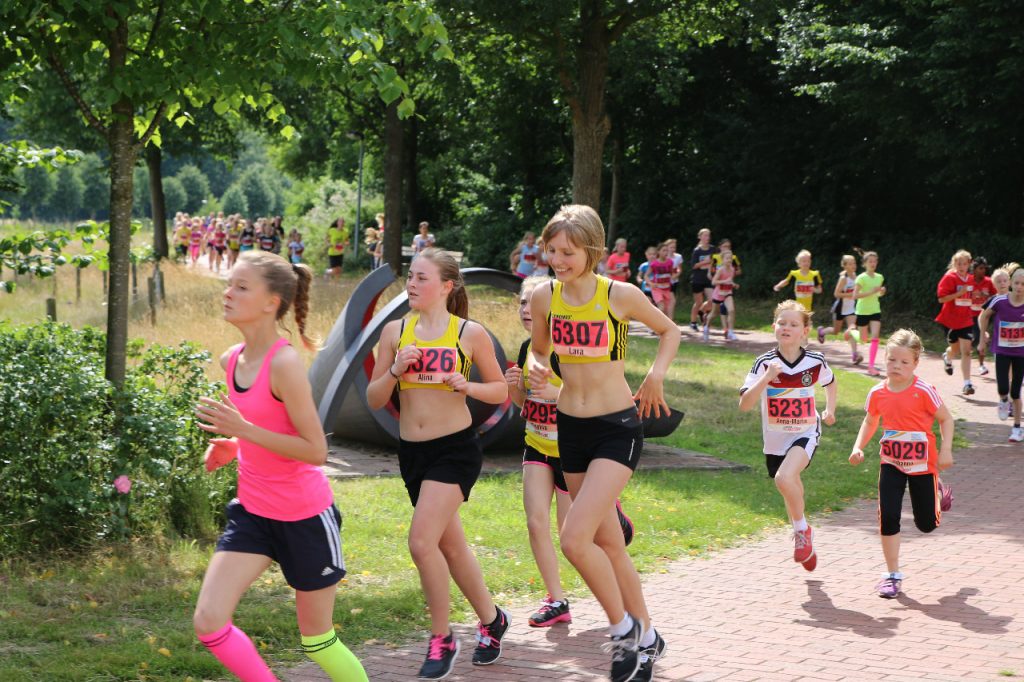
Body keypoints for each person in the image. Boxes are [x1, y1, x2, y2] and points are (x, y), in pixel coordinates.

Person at [192, 251, 367, 682]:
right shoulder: (231, 360)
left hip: (304, 517)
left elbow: (314, 450)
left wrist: (243, 430)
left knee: (317, 640)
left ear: (272, 301)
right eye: (229, 284)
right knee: (209, 621)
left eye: (241, 286)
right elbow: (266, 427)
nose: (228, 293)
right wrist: (234, 443)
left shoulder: (285, 363)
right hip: (253, 512)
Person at [529, 205, 677, 682]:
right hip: (568, 428)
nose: (557, 259)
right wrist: (536, 367)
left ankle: (622, 632)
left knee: (574, 538)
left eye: (567, 252)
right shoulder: (543, 297)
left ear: (592, 250)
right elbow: (539, 350)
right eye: (551, 250)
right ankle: (648, 637)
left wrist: (655, 376)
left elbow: (669, 330)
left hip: (617, 427)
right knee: (610, 543)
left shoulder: (620, 295)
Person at [366, 248, 510, 680]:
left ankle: (442, 637)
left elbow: (501, 390)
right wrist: (393, 368)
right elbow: (374, 397)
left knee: (421, 543)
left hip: (455, 450)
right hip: (413, 454)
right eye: (410, 276)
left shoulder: (470, 334)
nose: (411, 284)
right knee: (450, 546)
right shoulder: (396, 331)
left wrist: (468, 385)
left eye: (422, 278)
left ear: (447, 286)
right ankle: (492, 620)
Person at [506, 276, 636, 631]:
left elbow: (580, 393)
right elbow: (525, 404)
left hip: (571, 448)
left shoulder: (567, 348)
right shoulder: (527, 350)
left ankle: (611, 516)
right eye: (522, 303)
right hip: (537, 443)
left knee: (573, 534)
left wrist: (551, 388)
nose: (527, 310)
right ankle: (556, 599)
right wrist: (516, 388)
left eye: (533, 303)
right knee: (535, 522)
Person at [848, 329, 954, 598]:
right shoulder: (877, 392)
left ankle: (938, 490)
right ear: (885, 358)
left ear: (916, 363)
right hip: (891, 463)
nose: (897, 366)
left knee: (926, 524)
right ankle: (892, 575)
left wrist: (946, 450)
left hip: (923, 466)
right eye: (892, 360)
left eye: (904, 362)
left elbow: (946, 419)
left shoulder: (923, 391)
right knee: (889, 516)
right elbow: (871, 420)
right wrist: (858, 447)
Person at [739, 300, 837, 572]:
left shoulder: (815, 361)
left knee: (785, 477)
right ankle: (804, 532)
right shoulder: (764, 363)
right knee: (786, 483)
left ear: (805, 331)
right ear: (773, 328)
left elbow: (830, 382)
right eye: (782, 323)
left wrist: (829, 409)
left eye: (793, 324)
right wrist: (766, 378)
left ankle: (801, 532)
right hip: (775, 438)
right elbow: (744, 404)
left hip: (805, 431)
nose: (786, 327)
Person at [978, 268, 1024, 441]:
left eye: (1023, 285)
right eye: (1017, 283)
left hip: (1021, 353)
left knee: (1016, 391)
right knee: (1003, 387)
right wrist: (982, 339)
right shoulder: (999, 301)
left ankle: (1017, 428)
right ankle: (1003, 400)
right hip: (1002, 350)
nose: (1020, 287)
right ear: (1011, 283)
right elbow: (984, 317)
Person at [936, 250, 977, 395]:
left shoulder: (972, 279)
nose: (961, 266)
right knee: (955, 350)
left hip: (966, 319)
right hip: (950, 320)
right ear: (954, 264)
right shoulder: (949, 278)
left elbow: (974, 297)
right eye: (958, 263)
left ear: (969, 264)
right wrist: (958, 294)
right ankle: (947, 358)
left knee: (966, 351)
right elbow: (941, 299)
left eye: (964, 264)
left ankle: (967, 384)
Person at [817, 254, 862, 364]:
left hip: (851, 309)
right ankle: (822, 331)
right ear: (845, 266)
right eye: (850, 263)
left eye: (854, 263)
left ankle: (855, 355)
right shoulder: (843, 279)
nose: (853, 265)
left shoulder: (856, 277)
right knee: (836, 331)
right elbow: (836, 294)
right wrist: (850, 295)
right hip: (840, 308)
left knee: (852, 330)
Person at [852, 251, 886, 376]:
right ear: (864, 263)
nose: (873, 263)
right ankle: (851, 331)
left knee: (875, 336)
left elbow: (878, 294)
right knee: (863, 339)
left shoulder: (879, 277)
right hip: (862, 311)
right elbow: (855, 295)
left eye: (875, 261)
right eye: (870, 261)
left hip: (875, 310)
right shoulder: (861, 278)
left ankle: (871, 366)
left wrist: (881, 292)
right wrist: (871, 291)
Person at [968, 257, 995, 376]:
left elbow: (996, 296)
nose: (983, 270)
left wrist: (987, 295)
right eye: (980, 268)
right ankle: (979, 363)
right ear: (974, 269)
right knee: (979, 339)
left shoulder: (989, 282)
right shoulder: (968, 281)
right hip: (970, 315)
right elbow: (961, 296)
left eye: (984, 268)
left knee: (980, 339)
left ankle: (981, 365)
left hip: (984, 315)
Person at [705, 247, 738, 341]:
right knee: (714, 313)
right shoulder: (720, 270)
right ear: (723, 260)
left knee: (731, 310)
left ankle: (731, 331)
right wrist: (724, 281)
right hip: (718, 294)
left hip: (728, 293)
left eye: (730, 258)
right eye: (727, 258)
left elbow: (730, 281)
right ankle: (706, 326)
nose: (729, 260)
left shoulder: (732, 269)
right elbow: (713, 282)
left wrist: (734, 285)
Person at [689, 228, 715, 331]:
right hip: (697, 279)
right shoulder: (697, 251)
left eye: (708, 236)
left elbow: (716, 262)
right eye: (705, 235)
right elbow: (694, 266)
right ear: (700, 237)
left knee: (712, 300)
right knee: (698, 302)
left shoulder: (713, 249)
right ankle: (693, 322)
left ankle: (701, 311)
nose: (707, 238)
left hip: (709, 278)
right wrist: (706, 262)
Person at [645, 241, 675, 318]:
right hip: (657, 289)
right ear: (659, 252)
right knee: (661, 306)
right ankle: (656, 325)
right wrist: (651, 283)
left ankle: (665, 326)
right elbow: (646, 276)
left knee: (666, 310)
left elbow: (672, 273)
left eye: (667, 250)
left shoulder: (670, 262)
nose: (666, 252)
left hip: (667, 289)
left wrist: (674, 275)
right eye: (664, 250)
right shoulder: (654, 263)